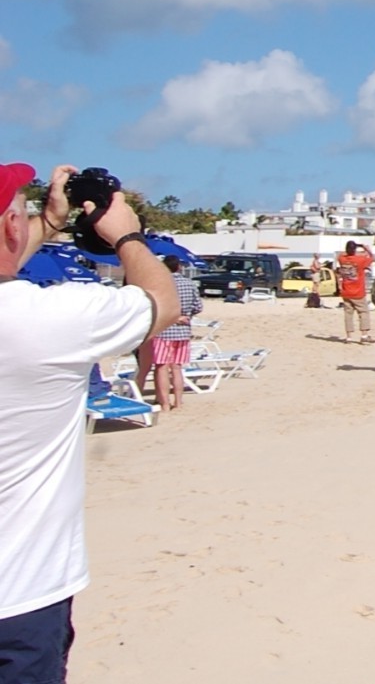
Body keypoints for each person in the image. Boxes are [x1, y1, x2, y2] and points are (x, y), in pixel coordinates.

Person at [1, 163, 179, 682]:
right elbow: (160, 303)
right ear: (14, 228)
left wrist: (49, 223)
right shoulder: (49, 320)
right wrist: (127, 235)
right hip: (20, 595)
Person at [147, 257, 204, 413]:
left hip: (163, 329)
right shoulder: (189, 283)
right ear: (179, 267)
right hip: (183, 331)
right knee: (177, 368)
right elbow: (198, 306)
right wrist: (185, 315)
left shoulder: (160, 284)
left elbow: (154, 306)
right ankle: (178, 402)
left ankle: (165, 404)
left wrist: (172, 317)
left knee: (161, 367)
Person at [336, 242, 375, 344]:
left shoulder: (342, 259)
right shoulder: (360, 260)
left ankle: (348, 337)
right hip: (357, 291)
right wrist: (366, 248)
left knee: (348, 314)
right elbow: (372, 257)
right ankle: (364, 335)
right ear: (354, 250)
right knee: (363, 312)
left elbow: (340, 255)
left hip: (346, 291)